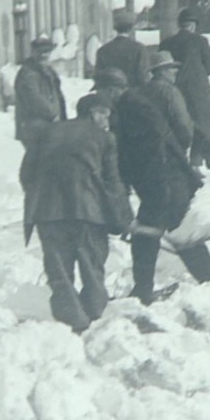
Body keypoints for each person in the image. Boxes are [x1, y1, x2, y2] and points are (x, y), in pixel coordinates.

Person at [20, 102, 133, 333]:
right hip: (88, 212)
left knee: (59, 270)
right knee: (92, 267)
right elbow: (113, 183)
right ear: (94, 112)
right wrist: (123, 218)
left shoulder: (47, 132)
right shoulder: (104, 138)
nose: (108, 121)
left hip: (47, 213)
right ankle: (93, 316)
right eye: (106, 115)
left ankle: (73, 320)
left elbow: (26, 174)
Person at [114, 71, 210, 304]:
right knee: (180, 234)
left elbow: (132, 155)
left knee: (146, 237)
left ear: (113, 89)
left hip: (164, 185)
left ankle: (143, 291)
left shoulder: (128, 110)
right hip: (171, 183)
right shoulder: (136, 106)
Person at [158, 6, 210, 166]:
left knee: (177, 122)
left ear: (179, 25)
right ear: (193, 25)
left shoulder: (166, 43)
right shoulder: (201, 41)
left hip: (173, 87)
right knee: (201, 124)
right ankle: (197, 160)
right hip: (198, 90)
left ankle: (178, 159)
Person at [14, 35, 66, 151]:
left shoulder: (48, 71)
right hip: (35, 128)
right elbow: (34, 100)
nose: (43, 55)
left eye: (47, 52)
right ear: (33, 52)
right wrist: (53, 114)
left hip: (49, 126)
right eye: (40, 52)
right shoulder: (28, 74)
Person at [141, 51, 194, 156]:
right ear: (162, 71)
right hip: (172, 150)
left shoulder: (143, 90)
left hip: (148, 150)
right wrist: (185, 144)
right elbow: (182, 123)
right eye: (172, 68)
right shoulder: (170, 92)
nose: (176, 71)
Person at [94, 9, 152, 88]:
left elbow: (98, 77)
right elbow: (143, 77)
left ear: (115, 28)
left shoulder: (103, 50)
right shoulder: (139, 49)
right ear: (132, 28)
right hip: (133, 95)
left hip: (110, 95)